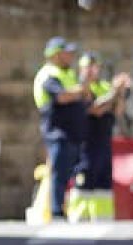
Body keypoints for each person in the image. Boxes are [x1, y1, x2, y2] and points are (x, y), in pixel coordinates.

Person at [33, 36, 91, 221]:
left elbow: (83, 95)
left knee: (69, 172)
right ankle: (57, 211)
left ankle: (66, 209)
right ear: (56, 55)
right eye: (67, 52)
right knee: (59, 171)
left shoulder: (69, 74)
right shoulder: (48, 74)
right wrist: (81, 89)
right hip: (57, 132)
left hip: (73, 132)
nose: (70, 56)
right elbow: (62, 97)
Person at [67, 52, 129, 222]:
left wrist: (121, 93)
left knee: (103, 183)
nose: (91, 71)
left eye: (94, 67)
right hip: (86, 143)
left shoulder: (105, 86)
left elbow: (117, 110)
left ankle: (103, 219)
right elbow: (96, 108)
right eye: (87, 67)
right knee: (84, 180)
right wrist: (114, 93)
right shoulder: (80, 87)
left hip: (104, 141)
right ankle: (78, 218)